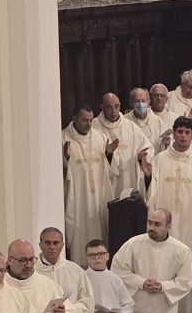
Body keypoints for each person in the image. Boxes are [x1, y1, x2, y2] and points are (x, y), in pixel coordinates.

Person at [112, 208, 192, 313]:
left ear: (168, 226)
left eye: (157, 224)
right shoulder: (133, 244)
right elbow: (117, 271)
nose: (151, 227)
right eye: (149, 223)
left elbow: (187, 280)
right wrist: (141, 282)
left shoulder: (181, 250)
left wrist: (163, 286)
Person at [62, 104, 122, 258]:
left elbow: (113, 171)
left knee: (100, 234)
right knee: (79, 243)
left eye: (90, 120)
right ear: (74, 118)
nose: (89, 124)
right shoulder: (63, 138)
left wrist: (109, 154)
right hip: (78, 201)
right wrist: (65, 158)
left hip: (98, 199)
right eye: (84, 120)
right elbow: (58, 174)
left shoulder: (100, 137)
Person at [144, 116, 192, 243]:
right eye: (180, 132)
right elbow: (150, 194)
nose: (183, 136)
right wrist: (148, 178)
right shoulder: (159, 160)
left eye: (187, 132)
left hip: (191, 218)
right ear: (173, 133)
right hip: (165, 211)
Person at [94, 93, 152, 199]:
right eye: (109, 107)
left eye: (116, 106)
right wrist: (108, 155)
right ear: (101, 107)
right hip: (105, 182)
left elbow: (148, 148)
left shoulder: (130, 126)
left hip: (128, 177)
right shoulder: (94, 127)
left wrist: (141, 157)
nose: (113, 111)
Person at [125, 86, 168, 154]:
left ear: (148, 101)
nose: (140, 104)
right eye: (137, 101)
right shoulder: (125, 121)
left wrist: (166, 143)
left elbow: (164, 144)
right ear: (131, 103)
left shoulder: (158, 121)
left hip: (154, 158)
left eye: (143, 101)